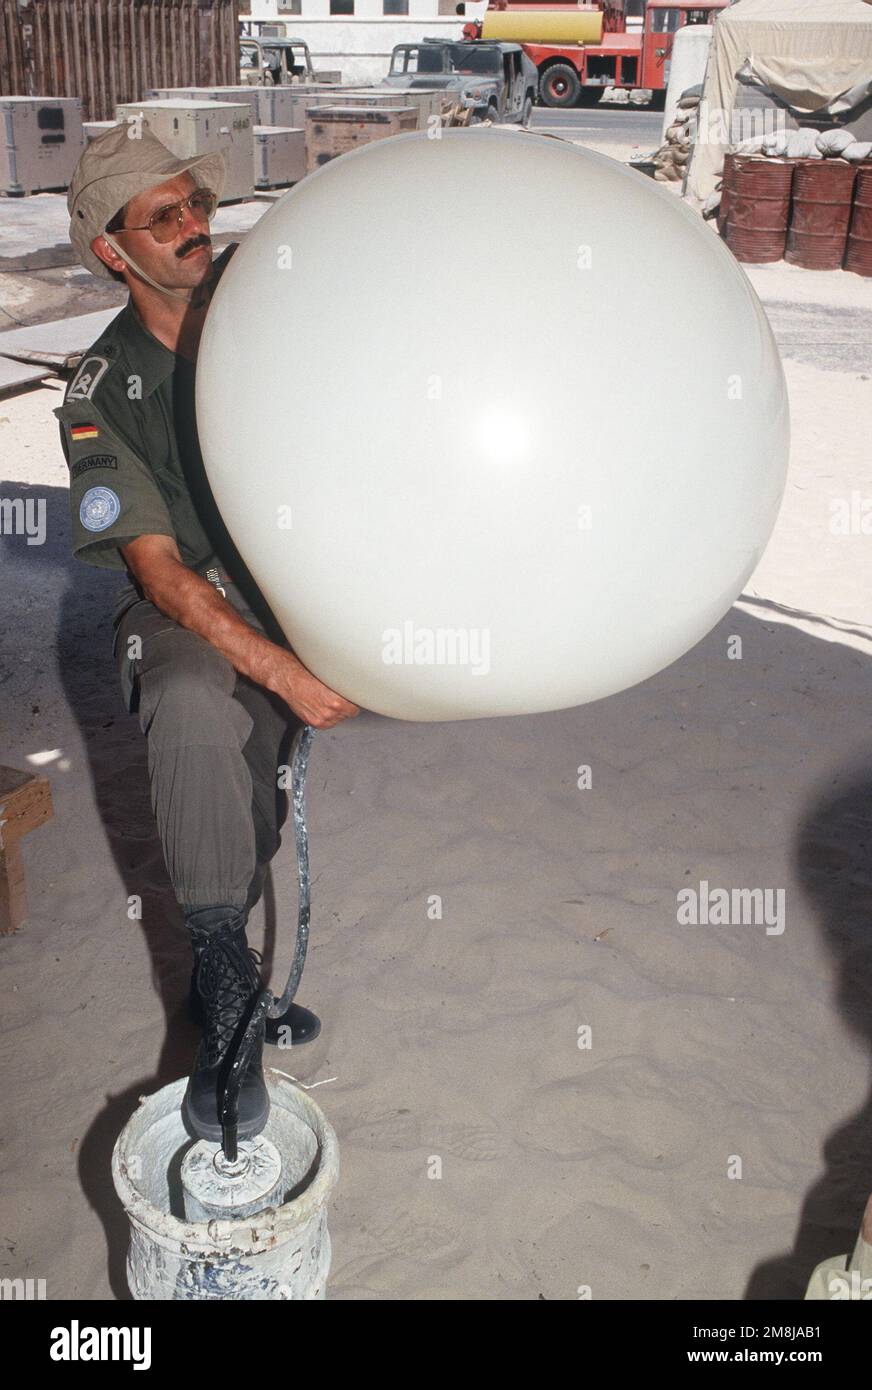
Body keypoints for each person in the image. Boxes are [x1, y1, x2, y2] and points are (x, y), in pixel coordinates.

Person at [55, 122, 359, 1143]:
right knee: (189, 706)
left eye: (196, 204)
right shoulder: (99, 390)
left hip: (286, 587)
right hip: (188, 602)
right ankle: (224, 984)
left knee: (249, 816)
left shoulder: (268, 300)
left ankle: (222, 944)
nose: (195, 227)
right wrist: (279, 666)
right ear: (113, 250)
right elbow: (154, 569)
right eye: (163, 217)